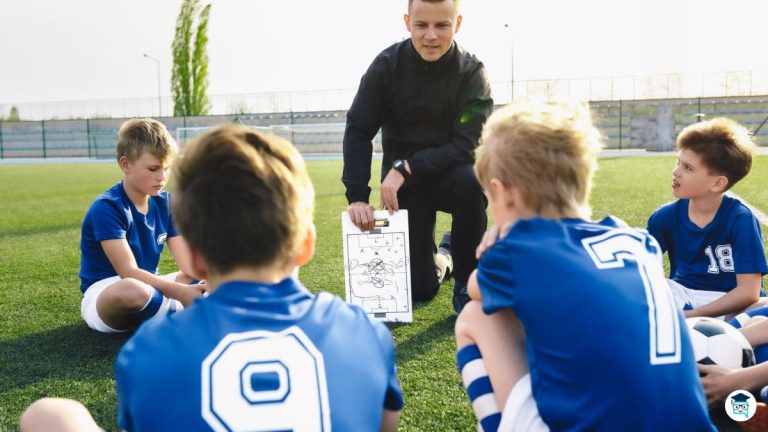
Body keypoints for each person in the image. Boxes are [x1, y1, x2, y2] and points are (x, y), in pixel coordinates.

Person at [21, 125, 404, 431]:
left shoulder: (146, 353)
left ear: (198, 260)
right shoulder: (365, 331)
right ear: (306, 245)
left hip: (163, 301)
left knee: (48, 415)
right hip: (117, 289)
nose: (160, 176)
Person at [453, 100, 714, 431]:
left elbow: (476, 287)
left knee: (477, 315)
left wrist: (493, 247)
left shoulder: (519, 250)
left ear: (501, 194)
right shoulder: (638, 241)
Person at [342, 0, 493, 313]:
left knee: (471, 181)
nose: (431, 36)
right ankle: (446, 255)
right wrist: (357, 197)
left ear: (458, 23)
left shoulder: (472, 72)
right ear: (407, 21)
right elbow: (358, 129)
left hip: (450, 176)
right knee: (421, 290)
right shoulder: (386, 67)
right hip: (403, 190)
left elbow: (469, 143)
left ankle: (468, 283)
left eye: (442, 25)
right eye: (421, 25)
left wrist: (408, 166)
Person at [78, 118, 203, 333]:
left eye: (166, 168)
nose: (162, 177)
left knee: (205, 276)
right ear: (125, 164)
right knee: (131, 290)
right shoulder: (107, 207)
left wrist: (215, 277)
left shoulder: (166, 203)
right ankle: (190, 312)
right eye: (153, 168)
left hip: (152, 285)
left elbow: (189, 267)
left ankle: (180, 310)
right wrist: (181, 292)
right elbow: (128, 272)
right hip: (108, 292)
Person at [647, 117, 768, 319]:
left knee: (762, 309)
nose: (676, 172)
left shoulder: (741, 219)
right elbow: (645, 271)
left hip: (731, 305)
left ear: (717, 183)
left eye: (688, 168)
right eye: (678, 162)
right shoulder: (664, 217)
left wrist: (692, 316)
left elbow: (748, 292)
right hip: (684, 295)